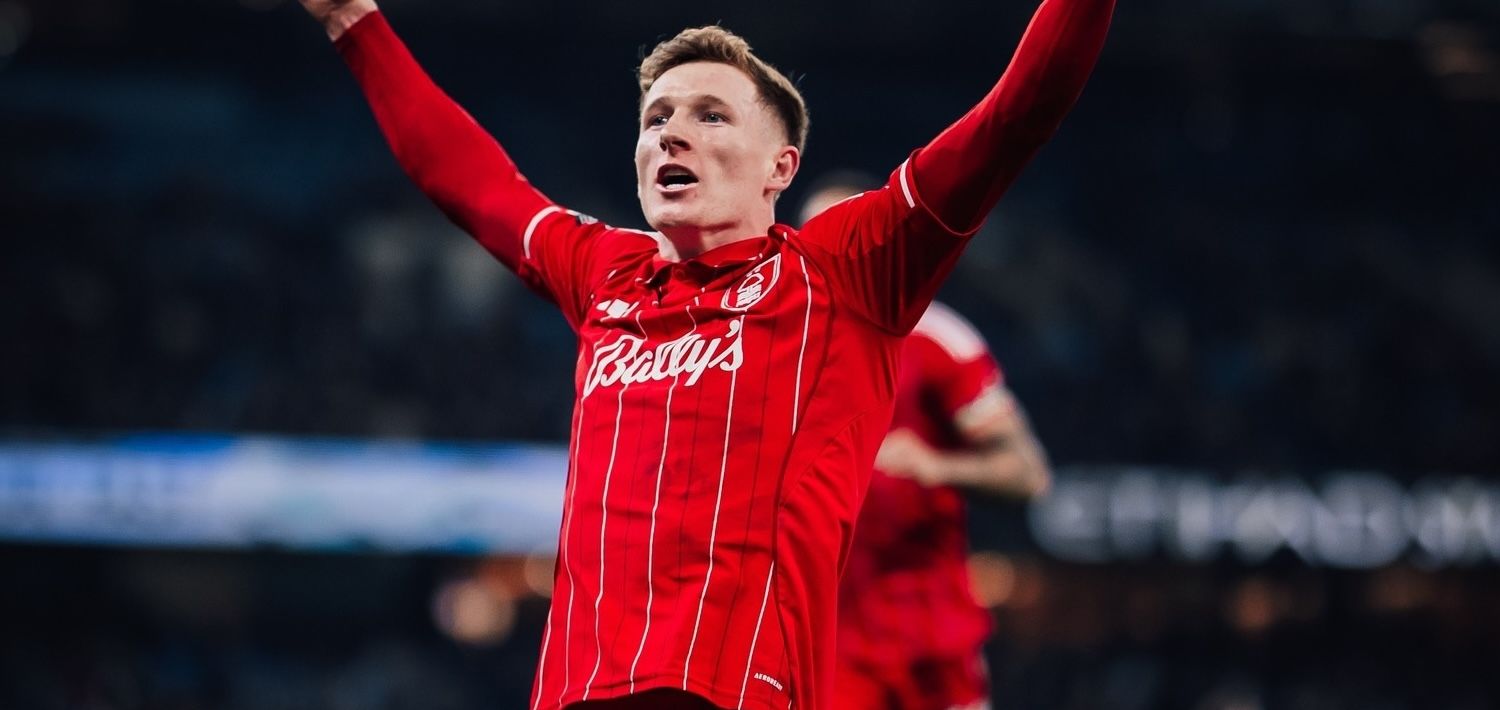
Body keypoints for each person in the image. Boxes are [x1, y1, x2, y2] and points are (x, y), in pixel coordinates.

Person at [292, 1, 1115, 708]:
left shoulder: (843, 273)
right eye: (655, 118)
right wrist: (350, 20)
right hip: (575, 692)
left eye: (709, 115)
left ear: (779, 168)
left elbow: (1017, 111)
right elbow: (469, 177)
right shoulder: (604, 273)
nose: (670, 134)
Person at [799, 185, 1053, 710]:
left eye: (847, 236)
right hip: (828, 650)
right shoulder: (777, 348)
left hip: (933, 647)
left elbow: (1028, 474)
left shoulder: (938, 341)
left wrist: (936, 466)